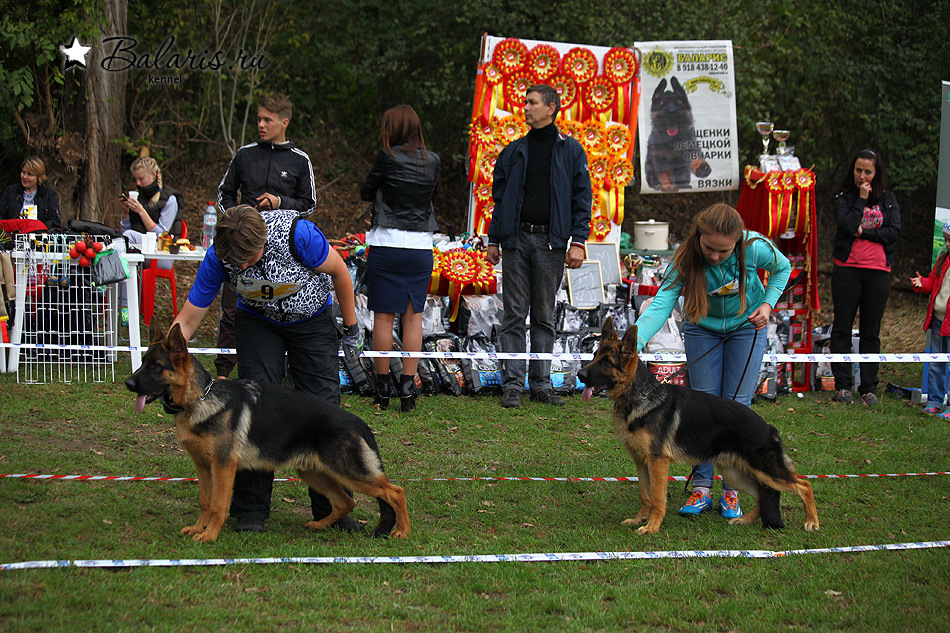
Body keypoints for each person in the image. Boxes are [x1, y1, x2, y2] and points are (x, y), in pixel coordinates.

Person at [171, 205, 364, 534]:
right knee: (254, 408)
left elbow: (340, 271)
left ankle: (334, 509)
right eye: (238, 263)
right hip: (258, 322)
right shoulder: (219, 256)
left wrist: (352, 328)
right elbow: (188, 320)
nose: (244, 266)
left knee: (322, 404)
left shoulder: (298, 236)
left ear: (263, 240)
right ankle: (250, 510)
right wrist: (165, 357)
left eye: (250, 258)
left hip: (312, 319)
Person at [632, 203, 791, 520]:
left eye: (723, 251)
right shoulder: (685, 257)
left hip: (747, 327)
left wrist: (768, 305)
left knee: (737, 405)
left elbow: (783, 268)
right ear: (698, 236)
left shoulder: (754, 246)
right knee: (702, 409)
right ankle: (701, 486)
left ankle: (732, 492)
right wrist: (634, 341)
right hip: (702, 327)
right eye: (709, 248)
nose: (715, 256)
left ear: (737, 241)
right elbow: (663, 302)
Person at [486, 84, 591, 408]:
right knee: (514, 315)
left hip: (552, 243)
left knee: (544, 315)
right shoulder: (514, 151)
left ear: (551, 107)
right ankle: (513, 385)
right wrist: (494, 239)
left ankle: (542, 384)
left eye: (532, 103)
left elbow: (581, 200)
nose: (526, 107)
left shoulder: (571, 151)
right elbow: (499, 199)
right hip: (516, 241)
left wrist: (578, 242)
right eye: (526, 102)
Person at [216, 93, 316, 379]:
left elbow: (308, 204)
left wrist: (280, 203)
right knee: (232, 308)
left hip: (281, 248)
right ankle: (223, 373)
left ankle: (279, 374)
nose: (260, 124)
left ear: (283, 123)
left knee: (279, 307)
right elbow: (224, 192)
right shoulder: (245, 154)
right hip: (242, 244)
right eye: (258, 118)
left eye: (267, 120)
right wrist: (236, 219)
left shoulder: (300, 160)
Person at [360, 105, 439, 412]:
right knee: (413, 317)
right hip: (420, 245)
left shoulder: (386, 156)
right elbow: (432, 197)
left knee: (383, 316)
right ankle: (408, 388)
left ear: (392, 128)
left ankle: (382, 389)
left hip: (387, 243)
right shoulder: (433, 160)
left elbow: (367, 191)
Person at [830, 149, 900, 406]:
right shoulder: (843, 197)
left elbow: (893, 232)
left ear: (876, 173)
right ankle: (843, 386)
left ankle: (868, 388)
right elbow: (847, 225)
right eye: (858, 170)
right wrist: (861, 199)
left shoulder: (889, 199)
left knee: (871, 330)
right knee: (842, 328)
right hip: (848, 269)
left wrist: (865, 233)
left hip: (879, 271)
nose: (862, 175)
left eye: (867, 171)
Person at [118, 156, 184, 325]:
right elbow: (125, 234)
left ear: (154, 174)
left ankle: (124, 306)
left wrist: (141, 212)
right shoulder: (139, 197)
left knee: (127, 242)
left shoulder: (170, 199)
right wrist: (126, 214)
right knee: (124, 249)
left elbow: (161, 234)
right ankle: (124, 307)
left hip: (162, 255)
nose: (138, 184)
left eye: (141, 179)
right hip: (140, 251)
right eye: (136, 179)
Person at [909, 221, 950, 417]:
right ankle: (934, 401)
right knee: (936, 363)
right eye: (946, 239)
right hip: (938, 320)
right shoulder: (942, 259)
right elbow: (933, 282)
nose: (948, 244)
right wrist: (921, 283)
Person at [0, 156, 61, 229]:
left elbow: (54, 221)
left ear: (39, 177)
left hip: (39, 236)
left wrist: (37, 228)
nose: (25, 177)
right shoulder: (10, 191)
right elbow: (1, 217)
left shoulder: (49, 194)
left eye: (30, 174)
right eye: (23, 172)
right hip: (12, 236)